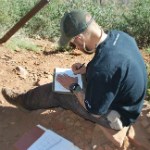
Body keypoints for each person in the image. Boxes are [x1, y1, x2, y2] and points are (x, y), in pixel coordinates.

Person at [2, 10, 147, 131]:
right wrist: (86, 69)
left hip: (117, 116)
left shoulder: (103, 68)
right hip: (129, 102)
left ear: (80, 38)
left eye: (73, 44)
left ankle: (23, 101)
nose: (76, 48)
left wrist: (73, 87)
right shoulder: (119, 36)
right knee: (68, 82)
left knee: (59, 91)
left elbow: (95, 111)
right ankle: (29, 98)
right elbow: (114, 68)